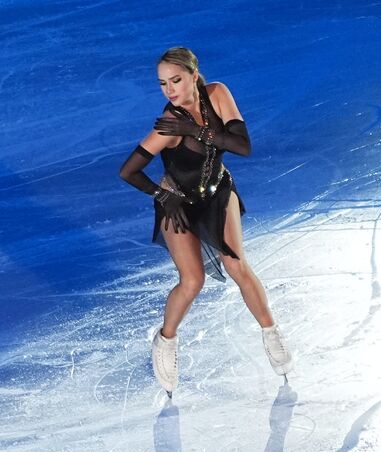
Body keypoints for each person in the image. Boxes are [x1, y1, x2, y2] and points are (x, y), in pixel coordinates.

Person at [119, 47, 291, 393]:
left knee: (237, 265)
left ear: (194, 75)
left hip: (217, 191)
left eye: (176, 80)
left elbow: (243, 146)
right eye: (163, 84)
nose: (170, 90)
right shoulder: (169, 125)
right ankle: (166, 340)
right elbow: (129, 171)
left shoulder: (218, 94)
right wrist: (162, 195)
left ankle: (271, 333)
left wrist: (196, 130)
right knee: (192, 281)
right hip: (178, 203)